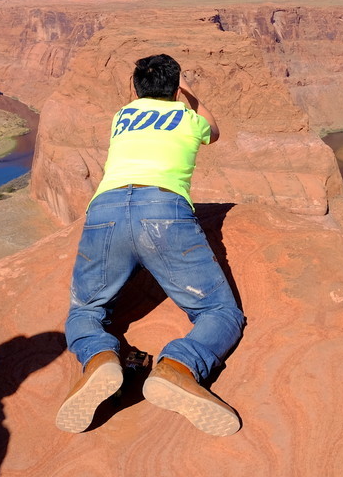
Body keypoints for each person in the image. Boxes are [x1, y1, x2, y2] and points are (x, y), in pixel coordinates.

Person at [56, 54, 245, 437]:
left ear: (135, 89)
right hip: (165, 212)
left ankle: (99, 359)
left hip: (104, 212)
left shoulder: (121, 118)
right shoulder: (189, 119)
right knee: (219, 312)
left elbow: (134, 97)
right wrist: (188, 94)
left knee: (85, 309)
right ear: (175, 90)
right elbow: (216, 130)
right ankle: (178, 367)